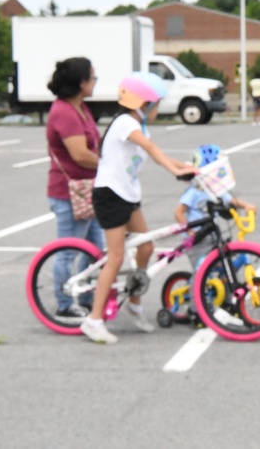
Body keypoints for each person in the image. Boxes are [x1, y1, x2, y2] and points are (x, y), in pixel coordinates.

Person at [81, 72, 198, 344]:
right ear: (142, 104)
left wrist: (186, 167)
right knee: (117, 257)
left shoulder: (139, 126)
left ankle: (133, 304)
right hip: (110, 195)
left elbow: (157, 152)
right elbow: (149, 147)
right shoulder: (124, 123)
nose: (157, 109)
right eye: (155, 104)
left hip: (127, 194)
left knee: (146, 248)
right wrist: (174, 171)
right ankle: (93, 320)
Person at [46, 57, 104, 318]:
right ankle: (64, 304)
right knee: (68, 251)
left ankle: (88, 296)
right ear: (81, 83)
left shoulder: (80, 108)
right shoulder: (64, 112)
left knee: (95, 249)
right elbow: (81, 154)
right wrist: (109, 165)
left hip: (86, 189)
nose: (95, 82)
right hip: (70, 193)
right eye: (92, 77)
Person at [174, 144, 256, 270]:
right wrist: (189, 230)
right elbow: (179, 212)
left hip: (212, 235)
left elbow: (232, 200)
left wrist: (247, 206)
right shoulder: (194, 192)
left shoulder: (215, 190)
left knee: (220, 266)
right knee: (201, 270)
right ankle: (194, 290)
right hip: (197, 239)